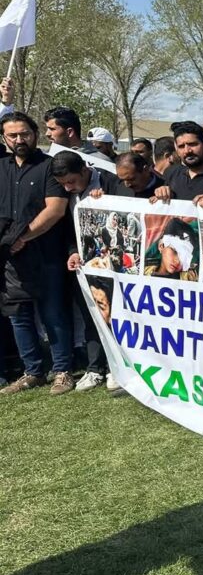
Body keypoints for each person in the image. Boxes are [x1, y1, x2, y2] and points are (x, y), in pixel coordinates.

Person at [0, 112, 76, 395]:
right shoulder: (1, 167)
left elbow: (55, 210)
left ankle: (62, 371)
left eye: (25, 134)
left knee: (53, 314)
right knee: (18, 316)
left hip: (47, 254)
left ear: (35, 134)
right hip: (11, 259)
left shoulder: (49, 167)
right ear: (5, 138)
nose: (19, 140)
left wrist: (24, 237)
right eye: (12, 135)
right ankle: (32, 371)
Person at [51, 151, 120, 391]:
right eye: (63, 184)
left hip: (114, 266)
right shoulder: (68, 193)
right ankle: (95, 369)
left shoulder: (109, 181)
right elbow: (69, 229)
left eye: (71, 181)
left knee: (114, 314)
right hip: (85, 266)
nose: (68, 188)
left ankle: (116, 368)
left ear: (84, 170)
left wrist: (107, 201)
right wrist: (72, 251)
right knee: (91, 315)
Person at [154, 121, 203, 205]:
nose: (187, 151)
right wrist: (159, 195)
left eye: (192, 144)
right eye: (181, 146)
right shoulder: (172, 173)